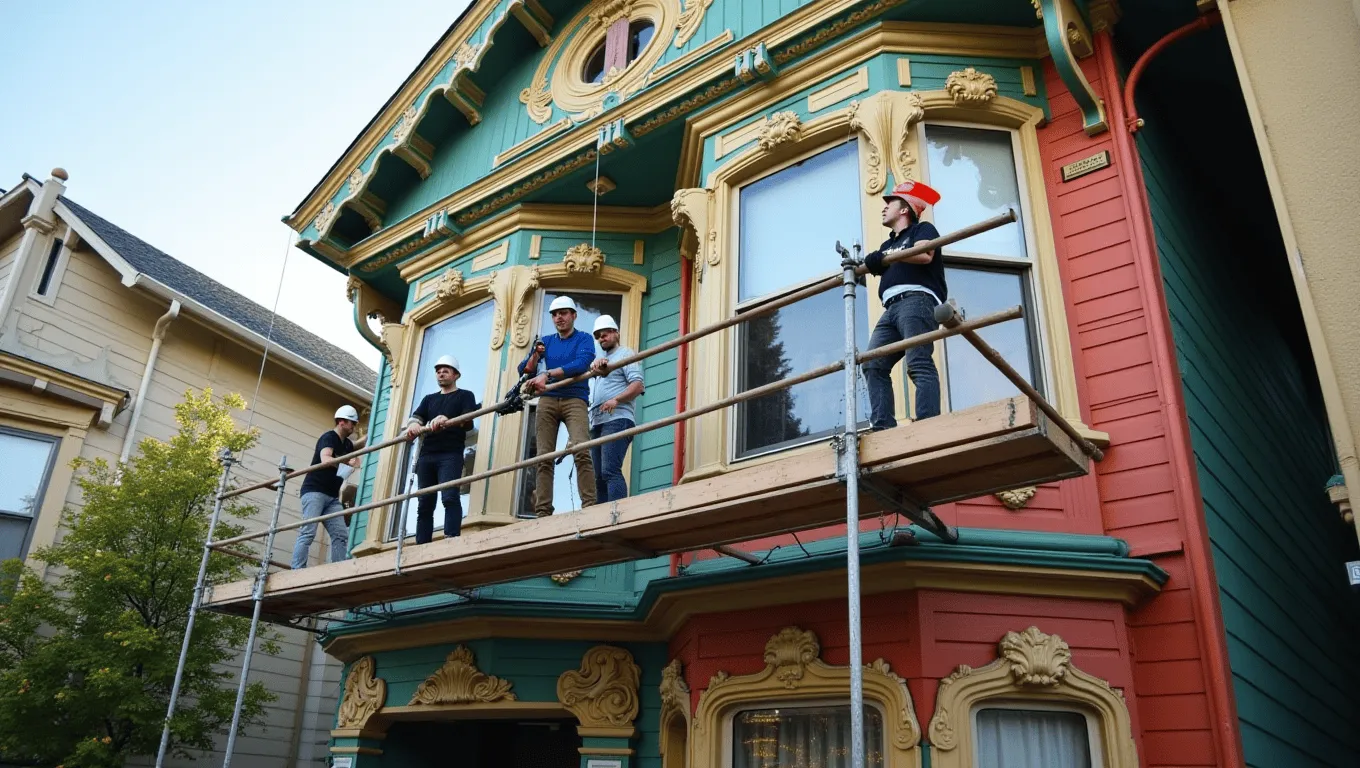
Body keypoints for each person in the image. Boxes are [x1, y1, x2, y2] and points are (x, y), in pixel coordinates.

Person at [860, 179, 947, 430]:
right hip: (891, 310)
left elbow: (924, 254)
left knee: (918, 361)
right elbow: (883, 267)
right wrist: (874, 262)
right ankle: (883, 426)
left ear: (904, 209)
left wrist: (885, 258)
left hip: (917, 301)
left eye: (891, 202)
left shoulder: (923, 230)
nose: (884, 207)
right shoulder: (887, 244)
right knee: (872, 363)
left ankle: (927, 424)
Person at [518, 295, 596, 516]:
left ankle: (589, 506)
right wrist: (535, 355)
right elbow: (524, 370)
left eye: (563, 313)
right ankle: (543, 511)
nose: (558, 318)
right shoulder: (546, 341)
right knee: (544, 457)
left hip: (575, 399)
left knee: (581, 449)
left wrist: (547, 374)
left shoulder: (584, 338)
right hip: (548, 401)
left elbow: (581, 364)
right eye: (554, 314)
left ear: (574, 315)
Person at [404, 355, 478, 543]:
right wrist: (413, 425)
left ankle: (451, 537)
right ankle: (422, 544)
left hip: (450, 454)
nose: (441, 373)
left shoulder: (465, 395)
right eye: (438, 371)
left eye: (446, 370)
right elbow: (416, 418)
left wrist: (446, 419)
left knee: (449, 496)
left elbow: (468, 421)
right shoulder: (429, 400)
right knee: (425, 502)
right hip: (426, 455)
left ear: (456, 375)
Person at [291, 405, 366, 569]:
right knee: (308, 532)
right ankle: (297, 570)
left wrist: (374, 433)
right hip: (315, 492)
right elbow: (325, 459)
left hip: (332, 497)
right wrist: (346, 462)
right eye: (351, 423)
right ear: (341, 422)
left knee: (340, 534)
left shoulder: (346, 444)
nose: (354, 427)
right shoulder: (329, 437)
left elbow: (357, 445)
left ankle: (338, 569)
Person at [587, 315, 644, 503]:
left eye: (605, 334)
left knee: (610, 470)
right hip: (597, 422)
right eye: (598, 336)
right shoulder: (599, 362)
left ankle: (617, 513)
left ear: (616, 333)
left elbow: (638, 386)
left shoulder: (625, 354)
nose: (601, 338)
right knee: (598, 478)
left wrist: (616, 400)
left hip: (617, 419)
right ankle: (600, 519)